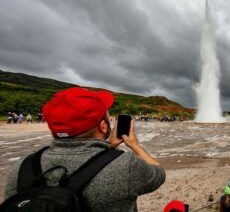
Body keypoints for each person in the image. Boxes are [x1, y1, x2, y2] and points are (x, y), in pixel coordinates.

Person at [4, 87, 166, 211]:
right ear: (103, 127)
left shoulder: (21, 168)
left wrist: (107, 147)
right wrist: (134, 145)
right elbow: (158, 175)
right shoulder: (127, 166)